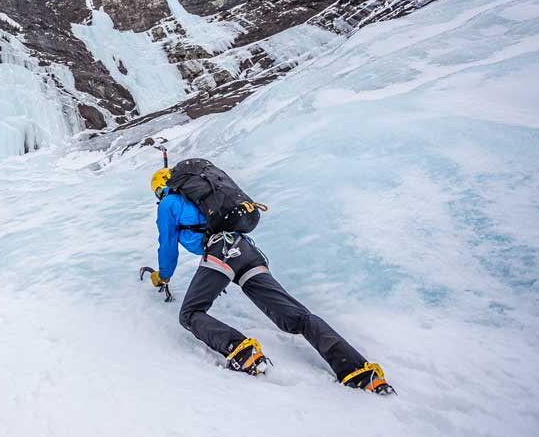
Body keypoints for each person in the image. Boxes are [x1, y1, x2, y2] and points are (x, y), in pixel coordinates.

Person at [149, 164, 394, 394]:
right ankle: (357, 370)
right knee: (296, 317)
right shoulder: (205, 199)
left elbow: (168, 246)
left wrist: (163, 277)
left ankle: (241, 350)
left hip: (221, 253)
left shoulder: (168, 204)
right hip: (247, 252)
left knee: (190, 314)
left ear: (162, 189)